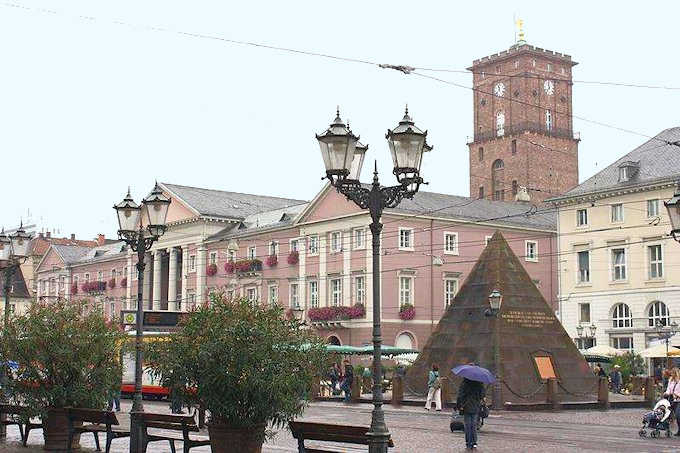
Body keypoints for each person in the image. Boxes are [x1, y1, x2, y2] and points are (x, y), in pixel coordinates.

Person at [456, 377, 485, 450]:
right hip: (475, 407)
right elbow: (482, 395)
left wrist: (459, 406)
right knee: (474, 426)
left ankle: (468, 443)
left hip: (466, 407)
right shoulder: (479, 383)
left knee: (468, 426)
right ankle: (474, 443)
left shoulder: (464, 383)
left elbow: (460, 395)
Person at [665, 367, 680, 436]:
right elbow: (669, 388)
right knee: (668, 414)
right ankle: (667, 429)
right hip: (671, 399)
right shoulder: (671, 380)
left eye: (674, 374)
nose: (672, 375)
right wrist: (667, 393)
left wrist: (677, 395)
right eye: (672, 373)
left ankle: (679, 430)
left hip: (678, 400)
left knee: (677, 415)